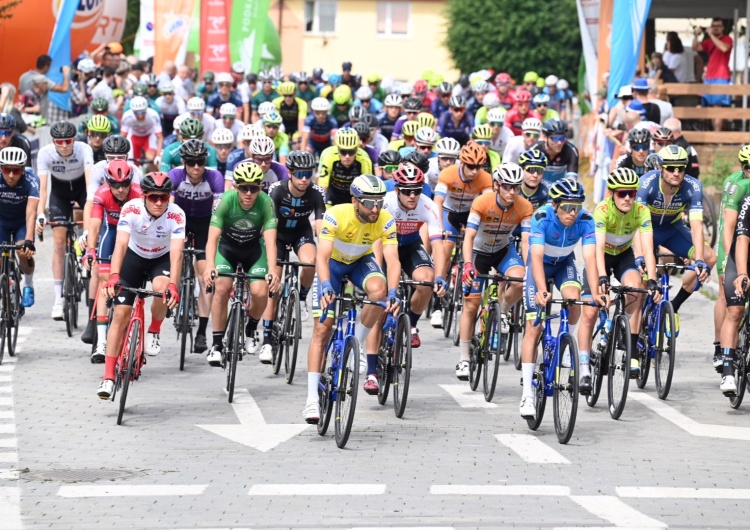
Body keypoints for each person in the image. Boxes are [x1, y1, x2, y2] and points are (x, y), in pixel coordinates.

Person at [304, 175, 400, 423]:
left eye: (379, 202)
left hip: (360, 262)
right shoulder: (336, 214)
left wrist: (393, 292)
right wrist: (325, 285)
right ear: (355, 201)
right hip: (333, 265)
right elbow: (322, 258)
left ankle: (355, 344)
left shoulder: (386, 220)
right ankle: (311, 399)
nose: (375, 208)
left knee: (379, 290)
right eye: (369, 202)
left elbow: (392, 260)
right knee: (322, 330)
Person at [96, 172, 184, 399]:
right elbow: (121, 244)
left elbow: (176, 254)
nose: (158, 202)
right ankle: (107, 377)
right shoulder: (132, 209)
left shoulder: (177, 214)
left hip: (161, 259)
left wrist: (174, 285)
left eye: (163, 198)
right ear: (144, 196)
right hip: (134, 258)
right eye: (153, 197)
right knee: (121, 314)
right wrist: (114, 275)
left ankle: (154, 329)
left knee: (162, 288)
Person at [519, 179, 602, 419]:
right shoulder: (541, 217)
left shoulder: (586, 220)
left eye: (577, 206)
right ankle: (527, 394)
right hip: (540, 268)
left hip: (564, 263)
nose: (573, 212)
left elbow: (590, 258)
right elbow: (535, 258)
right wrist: (542, 290)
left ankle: (567, 343)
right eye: (567, 206)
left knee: (575, 300)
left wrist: (595, 292)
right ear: (555, 205)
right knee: (534, 326)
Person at [577, 168, 659, 388]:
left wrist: (652, 279)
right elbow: (598, 248)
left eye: (632, 193)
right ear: (612, 193)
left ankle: (619, 326)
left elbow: (649, 249)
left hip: (623, 255)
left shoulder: (641, 210)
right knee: (591, 309)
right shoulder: (602, 210)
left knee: (635, 290)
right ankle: (584, 366)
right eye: (622, 193)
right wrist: (602, 278)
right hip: (600, 257)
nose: (627, 198)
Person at [456, 163, 531, 379]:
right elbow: (469, 236)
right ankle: (463, 359)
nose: (512, 192)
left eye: (516, 187)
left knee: (520, 280)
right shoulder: (482, 201)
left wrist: (529, 270)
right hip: (479, 253)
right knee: (471, 305)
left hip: (502, 251)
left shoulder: (524, 207)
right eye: (507, 187)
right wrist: (468, 264)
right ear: (497, 185)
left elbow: (525, 242)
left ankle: (503, 312)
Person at [204, 161, 279, 365]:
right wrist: (209, 265)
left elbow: (271, 241)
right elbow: (211, 239)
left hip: (254, 249)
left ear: (260, 188)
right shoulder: (225, 201)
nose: (248, 193)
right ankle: (217, 345)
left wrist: (273, 269)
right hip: (227, 247)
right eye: (243, 188)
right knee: (221, 287)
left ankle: (251, 327)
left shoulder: (266, 202)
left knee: (261, 292)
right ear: (235, 187)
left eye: (253, 188)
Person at [636, 145, 713, 332]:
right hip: (646, 229)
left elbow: (696, 224)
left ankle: (674, 307)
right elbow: (640, 226)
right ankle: (634, 334)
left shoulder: (693, 186)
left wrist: (700, 260)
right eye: (671, 168)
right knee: (641, 279)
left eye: (681, 168)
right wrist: (641, 256)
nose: (676, 173)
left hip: (672, 229)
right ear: (661, 168)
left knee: (709, 257)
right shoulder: (646, 183)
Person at [261, 152, 326, 360]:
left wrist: (326, 250)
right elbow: (268, 226)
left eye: (308, 173)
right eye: (300, 174)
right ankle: (267, 339)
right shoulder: (277, 190)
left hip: (301, 233)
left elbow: (320, 226)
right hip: (277, 236)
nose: (305, 179)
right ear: (290, 173)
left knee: (310, 262)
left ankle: (302, 297)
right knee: (273, 284)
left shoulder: (316, 192)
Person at [168, 140, 225, 353]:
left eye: (200, 162)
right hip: (180, 220)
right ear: (183, 162)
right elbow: (169, 208)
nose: (196, 168)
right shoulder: (174, 176)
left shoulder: (214, 177)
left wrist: (213, 241)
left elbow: (218, 213)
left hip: (204, 223)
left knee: (204, 276)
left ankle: (201, 332)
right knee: (175, 256)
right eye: (191, 163)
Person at [83, 159, 142, 362]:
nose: (120, 189)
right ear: (108, 183)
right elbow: (96, 224)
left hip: (134, 235)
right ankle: (101, 344)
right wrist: (91, 249)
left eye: (124, 184)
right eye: (115, 185)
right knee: (104, 279)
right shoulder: (101, 194)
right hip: (112, 230)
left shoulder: (138, 194)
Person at [383, 165, 446, 346]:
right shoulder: (386, 203)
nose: (412, 196)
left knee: (426, 280)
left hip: (410, 245)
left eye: (416, 190)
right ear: (396, 190)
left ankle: (411, 324)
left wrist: (440, 276)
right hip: (387, 245)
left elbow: (438, 245)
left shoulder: (428, 205)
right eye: (407, 191)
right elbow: (377, 242)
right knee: (380, 290)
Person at [36, 121, 94, 319]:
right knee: (59, 244)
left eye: (67, 141)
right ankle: (58, 300)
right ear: (53, 141)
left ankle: (83, 253)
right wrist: (40, 214)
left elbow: (90, 189)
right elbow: (42, 189)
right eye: (58, 141)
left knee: (87, 224)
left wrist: (87, 228)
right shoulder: (45, 153)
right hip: (59, 193)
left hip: (81, 189)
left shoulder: (84, 149)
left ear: (74, 139)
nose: (63, 145)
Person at [712, 145, 750, 372]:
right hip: (734, 240)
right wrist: (727, 258)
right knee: (725, 296)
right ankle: (719, 347)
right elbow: (729, 226)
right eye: (747, 167)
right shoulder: (737, 185)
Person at [433, 141, 493, 278]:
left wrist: (477, 227)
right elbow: (438, 201)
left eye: (478, 167)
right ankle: (440, 284)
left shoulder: (485, 178)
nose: (474, 172)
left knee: (472, 252)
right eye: (471, 167)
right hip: (449, 213)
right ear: (462, 163)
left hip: (470, 214)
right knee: (446, 251)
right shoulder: (448, 173)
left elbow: (488, 204)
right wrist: (440, 227)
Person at [719, 183, 750, 394]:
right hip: (742, 257)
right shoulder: (749, 201)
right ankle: (728, 369)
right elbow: (742, 240)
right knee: (735, 310)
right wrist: (742, 273)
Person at [0, 147, 38, 308]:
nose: (10, 175)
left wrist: (29, 240)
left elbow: (31, 212)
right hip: (2, 222)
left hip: (22, 221)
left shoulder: (31, 180)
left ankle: (28, 284)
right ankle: (6, 283)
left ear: (23, 170)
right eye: (6, 169)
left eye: (15, 171)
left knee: (23, 252)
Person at [693, 18, 733, 131]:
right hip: (709, 77)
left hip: (721, 76)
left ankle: (717, 136)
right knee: (710, 107)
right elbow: (695, 47)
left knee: (718, 107)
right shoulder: (709, 41)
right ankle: (714, 136)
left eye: (718, 26)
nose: (716, 28)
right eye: (713, 26)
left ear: (723, 28)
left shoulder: (727, 39)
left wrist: (711, 35)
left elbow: (724, 48)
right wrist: (696, 35)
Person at [318, 128, 373, 206]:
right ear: (338, 149)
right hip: (333, 195)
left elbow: (368, 188)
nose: (347, 156)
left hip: (354, 198)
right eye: (343, 151)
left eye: (351, 152)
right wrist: (320, 208)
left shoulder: (364, 159)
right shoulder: (328, 156)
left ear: (357, 149)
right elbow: (322, 187)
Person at [120, 96, 162, 163]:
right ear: (132, 111)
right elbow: (123, 136)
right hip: (134, 136)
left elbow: (160, 137)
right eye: (136, 113)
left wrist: (158, 154)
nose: (140, 116)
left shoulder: (153, 115)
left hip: (149, 136)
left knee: (150, 158)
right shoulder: (127, 116)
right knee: (131, 161)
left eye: (142, 112)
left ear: (146, 109)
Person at [536, 119, 579, 184]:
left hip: (558, 189)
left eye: (562, 138)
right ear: (545, 137)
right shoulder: (536, 149)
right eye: (555, 138)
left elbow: (572, 181)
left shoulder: (571, 150)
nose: (559, 143)